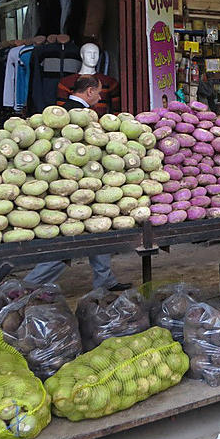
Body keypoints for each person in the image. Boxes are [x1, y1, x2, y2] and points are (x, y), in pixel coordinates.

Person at [31, 74, 131, 292]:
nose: (100, 96)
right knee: (65, 245)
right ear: (89, 92)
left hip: (84, 185)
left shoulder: (61, 109)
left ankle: (106, 281)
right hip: (68, 188)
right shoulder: (77, 114)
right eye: (99, 91)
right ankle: (29, 284)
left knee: (99, 235)